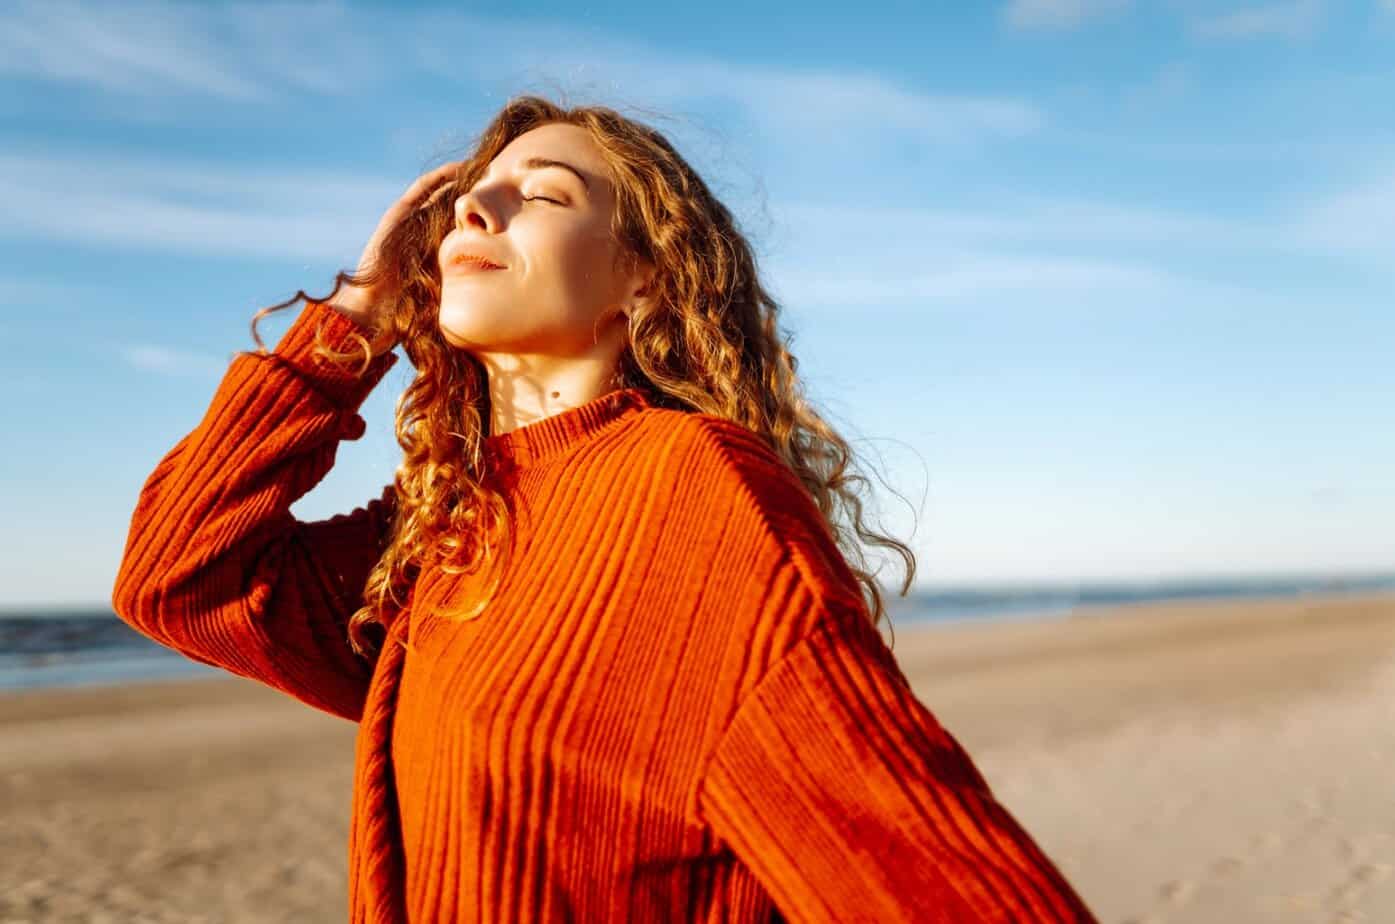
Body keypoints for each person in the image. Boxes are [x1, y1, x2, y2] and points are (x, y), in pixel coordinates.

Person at [112, 95, 1099, 923]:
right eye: (463, 200)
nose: (475, 212)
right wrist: (358, 316)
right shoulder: (447, 532)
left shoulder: (693, 491)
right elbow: (179, 574)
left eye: (542, 194)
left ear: (642, 275)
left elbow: (933, 881)